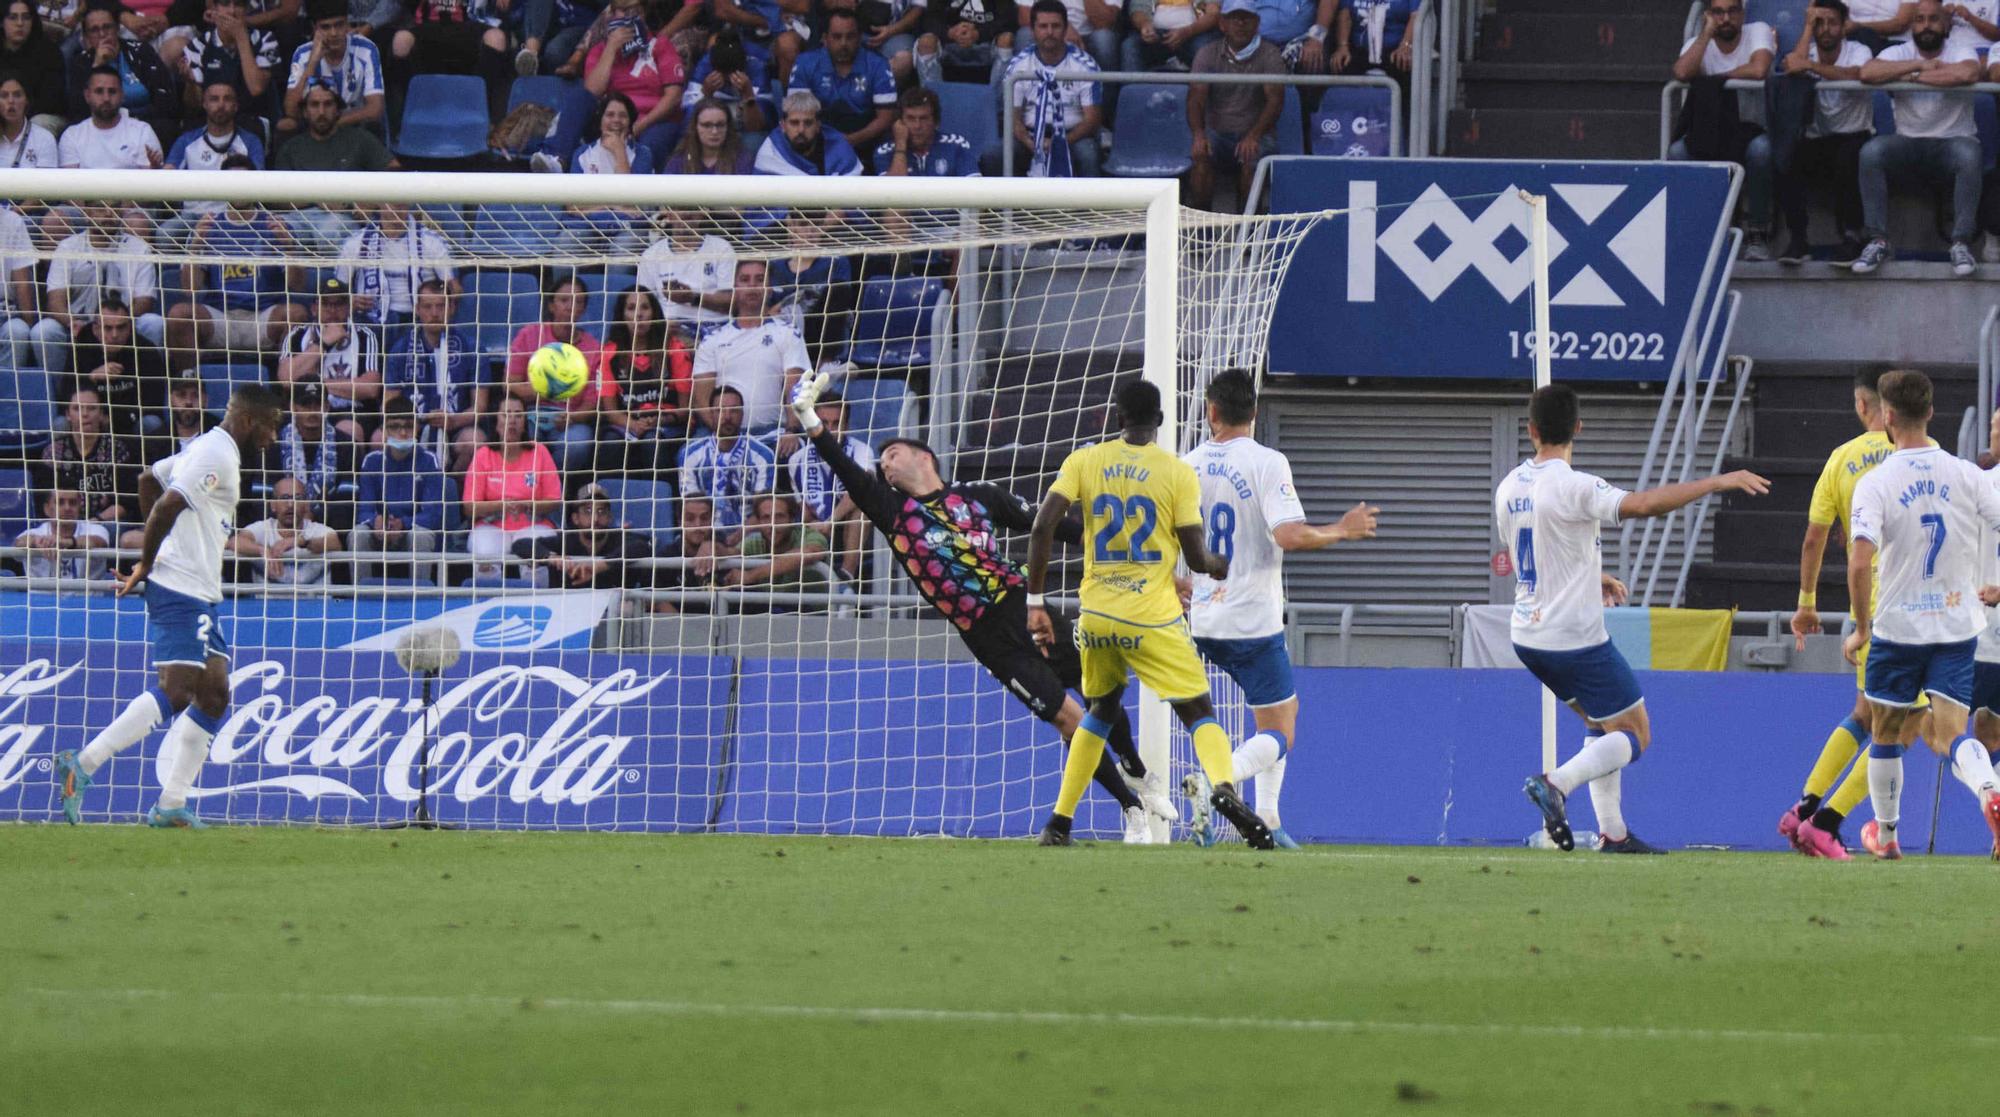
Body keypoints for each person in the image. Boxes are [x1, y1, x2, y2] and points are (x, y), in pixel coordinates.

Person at [790, 372, 1169, 841]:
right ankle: (1131, 808)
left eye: (892, 455)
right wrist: (809, 419)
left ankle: (1134, 767)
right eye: (882, 463)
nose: (885, 467)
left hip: (1024, 606)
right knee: (1067, 719)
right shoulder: (893, 513)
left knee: (1100, 690)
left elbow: (1049, 526)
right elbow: (846, 472)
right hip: (987, 638)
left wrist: (1125, 551)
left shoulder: (980, 498)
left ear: (923, 456)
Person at [1500, 384, 1770, 854]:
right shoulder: (1575, 485)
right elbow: (1642, 505)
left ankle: (1614, 835)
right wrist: (1715, 482)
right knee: (1635, 733)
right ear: (1578, 428)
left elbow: (1532, 549)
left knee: (1603, 724)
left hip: (1528, 634)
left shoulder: (1509, 487)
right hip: (1573, 636)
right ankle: (1557, 784)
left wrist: (1591, 573)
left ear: (1531, 430)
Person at [1024, 378, 1258, 846]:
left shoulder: (1085, 460)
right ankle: (1226, 788)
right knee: (1198, 710)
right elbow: (1196, 558)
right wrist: (1218, 563)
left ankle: (1059, 822)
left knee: (1100, 711)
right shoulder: (1175, 473)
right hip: (1150, 617)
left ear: (1117, 417)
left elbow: (1042, 526)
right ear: (1162, 421)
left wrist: (1034, 601)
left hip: (1096, 617)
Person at [52, 384, 286, 828]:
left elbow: (147, 480)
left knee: (214, 695)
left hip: (197, 588)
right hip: (179, 586)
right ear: (251, 421)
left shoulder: (208, 449)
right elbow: (166, 503)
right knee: (179, 689)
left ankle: (172, 805)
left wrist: (159, 555)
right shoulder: (215, 455)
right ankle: (83, 763)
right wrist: (149, 561)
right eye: (272, 425)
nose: (274, 437)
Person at [1182, 369, 1377, 848]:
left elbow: (1168, 544)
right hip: (1252, 621)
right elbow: (1288, 534)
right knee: (1282, 728)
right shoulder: (1267, 462)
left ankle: (1268, 817)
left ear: (1211, 411)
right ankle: (1217, 781)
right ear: (1255, 410)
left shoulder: (1185, 465)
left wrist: (1178, 584)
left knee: (1273, 713)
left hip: (1204, 619)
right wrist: (1342, 529)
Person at [1843, 369, 2000, 860]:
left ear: (1887, 417)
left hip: (1898, 629)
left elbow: (1860, 559)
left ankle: (1887, 837)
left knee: (1886, 731)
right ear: (1931, 412)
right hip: (1956, 627)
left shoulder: (1878, 482)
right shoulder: (1967, 474)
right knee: (1953, 732)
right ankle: (1989, 790)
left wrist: (1861, 628)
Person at [1782, 368, 1936, 858]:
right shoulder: (1913, 456)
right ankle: (1826, 822)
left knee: (1866, 714)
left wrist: (1807, 605)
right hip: (1906, 606)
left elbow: (1815, 536)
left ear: (1860, 404)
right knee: (1909, 725)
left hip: (1863, 604)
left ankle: (1804, 809)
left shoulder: (1841, 460)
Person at [1853, 0, 1981, 275]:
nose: (1926, 25)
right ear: (1912, 25)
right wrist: (1918, 68)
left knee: (1970, 154)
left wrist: (1911, 77)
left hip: (1953, 142)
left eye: (1934, 19)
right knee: (1872, 152)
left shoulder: (1961, 49)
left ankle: (1960, 243)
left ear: (1946, 24)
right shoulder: (1899, 51)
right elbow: (1868, 72)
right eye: (1920, 19)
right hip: (1908, 143)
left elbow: (1968, 72)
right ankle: (1878, 240)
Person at [1670, 0, 1776, 260]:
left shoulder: (1758, 30)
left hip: (1755, 129)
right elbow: (1682, 72)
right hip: (1712, 131)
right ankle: (1699, 233)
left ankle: (1757, 233)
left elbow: (1759, 68)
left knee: (1762, 150)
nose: (1726, 18)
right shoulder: (1699, 42)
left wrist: (1716, 80)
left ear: (1742, 13)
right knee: (1677, 152)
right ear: (1709, 15)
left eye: (1732, 11)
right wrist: (1706, 33)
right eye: (1718, 12)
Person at [163, 189, 307, 375]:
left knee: (296, 314)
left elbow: (298, 285)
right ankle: (188, 383)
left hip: (263, 315)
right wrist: (195, 247)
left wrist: (289, 247)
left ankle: (287, 387)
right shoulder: (209, 225)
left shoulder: (275, 225)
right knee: (178, 314)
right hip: (221, 316)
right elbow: (190, 288)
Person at [1775, 0, 1872, 266]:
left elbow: (1857, 75)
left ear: (1843, 27)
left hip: (1855, 135)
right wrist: (1807, 28)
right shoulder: (1809, 51)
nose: (1826, 29)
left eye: (1832, 23)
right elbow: (1790, 67)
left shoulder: (1858, 50)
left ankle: (1853, 237)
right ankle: (1798, 240)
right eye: (1820, 23)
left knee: (1848, 159)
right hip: (1818, 138)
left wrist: (1812, 68)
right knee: (1786, 157)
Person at [690, 258, 811, 441]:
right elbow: (701, 400)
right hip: (722, 433)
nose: (752, 286)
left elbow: (795, 388)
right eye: (745, 280)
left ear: (769, 287)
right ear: (734, 287)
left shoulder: (788, 333)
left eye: (759, 279)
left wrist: (791, 431)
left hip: (772, 434)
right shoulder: (712, 340)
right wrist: (724, 435)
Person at [503, 271, 612, 474]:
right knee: (522, 434)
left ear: (584, 308)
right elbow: (509, 384)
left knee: (577, 444)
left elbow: (592, 403)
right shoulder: (529, 334)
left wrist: (572, 417)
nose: (571, 306)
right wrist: (543, 390)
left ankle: (554, 486)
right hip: (531, 414)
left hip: (569, 420)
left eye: (578, 302)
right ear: (551, 305)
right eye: (564, 300)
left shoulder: (594, 348)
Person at [38, 200, 162, 375]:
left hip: (122, 325)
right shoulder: (68, 246)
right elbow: (55, 301)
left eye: (114, 207)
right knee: (45, 331)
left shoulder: (139, 248)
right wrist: (73, 322)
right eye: (101, 208)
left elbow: (144, 301)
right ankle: (60, 397)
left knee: (153, 323)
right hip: (78, 324)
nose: (109, 213)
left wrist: (116, 324)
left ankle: (147, 390)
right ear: (87, 213)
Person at [1187, 0, 1284, 211]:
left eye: (1246, 18)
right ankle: (1201, 232)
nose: (1240, 23)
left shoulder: (1270, 54)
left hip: (1258, 134)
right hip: (1217, 133)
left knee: (1251, 161)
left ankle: (1247, 234)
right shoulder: (1207, 53)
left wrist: (1253, 136)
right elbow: (1196, 98)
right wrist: (1198, 135)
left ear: (1257, 23)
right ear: (1222, 24)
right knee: (1200, 158)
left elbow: (1275, 101)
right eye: (1234, 18)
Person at [383, 277, 485, 471]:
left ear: (452, 308)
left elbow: (479, 407)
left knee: (474, 440)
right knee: (381, 439)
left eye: (441, 306)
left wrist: (453, 420)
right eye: (428, 307)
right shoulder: (400, 349)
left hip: (456, 426)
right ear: (417, 309)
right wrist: (413, 423)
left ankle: (452, 489)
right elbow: (389, 405)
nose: (435, 313)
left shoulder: (472, 348)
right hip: (411, 426)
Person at [677, 385, 776, 570]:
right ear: (711, 413)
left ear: (743, 414)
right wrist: (711, 540)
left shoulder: (763, 456)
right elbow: (690, 506)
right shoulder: (690, 454)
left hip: (748, 536)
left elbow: (764, 510)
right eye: (721, 410)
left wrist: (735, 538)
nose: (728, 416)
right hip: (702, 533)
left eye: (734, 411)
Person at [464, 394, 563, 578]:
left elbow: (554, 500)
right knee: (485, 556)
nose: (512, 421)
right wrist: (503, 505)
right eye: (506, 414)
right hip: (491, 526)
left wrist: (527, 504)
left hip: (534, 525)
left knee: (536, 559)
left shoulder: (539, 451)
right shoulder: (483, 455)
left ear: (525, 422)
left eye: (518, 415)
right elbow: (470, 507)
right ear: (496, 421)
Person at [598, 285, 692, 475]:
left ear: (654, 313)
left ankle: (660, 499)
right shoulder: (610, 354)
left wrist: (658, 420)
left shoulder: (674, 349)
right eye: (631, 308)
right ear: (622, 315)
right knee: (610, 445)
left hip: (666, 424)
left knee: (652, 443)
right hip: (627, 424)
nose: (638, 314)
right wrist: (633, 425)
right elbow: (610, 412)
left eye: (645, 308)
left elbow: (685, 410)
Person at [276, 277, 384, 442]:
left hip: (351, 410)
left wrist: (316, 383)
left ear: (348, 308)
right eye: (326, 304)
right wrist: (322, 344)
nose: (332, 310)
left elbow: (370, 387)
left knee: (348, 430)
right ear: (314, 308)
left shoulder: (365, 335)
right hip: (305, 408)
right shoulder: (297, 335)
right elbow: (286, 379)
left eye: (339, 304)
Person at [1002, 0, 1101, 178]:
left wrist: (1059, 143)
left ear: (1065, 29)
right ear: (1032, 30)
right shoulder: (1018, 66)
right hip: (1030, 136)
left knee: (1088, 154)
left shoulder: (1085, 66)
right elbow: (1013, 118)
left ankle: (1090, 207)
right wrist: (1031, 143)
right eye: (1043, 26)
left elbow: (1091, 120)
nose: (1049, 32)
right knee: (995, 155)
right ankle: (1007, 206)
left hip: (1073, 135)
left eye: (1055, 26)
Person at [62, 9, 181, 149]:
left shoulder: (141, 51)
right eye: (94, 30)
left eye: (107, 27)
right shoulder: (81, 62)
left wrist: (129, 119)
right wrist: (97, 65)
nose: (102, 34)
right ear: (86, 37)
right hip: (101, 125)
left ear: (117, 28)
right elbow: (78, 109)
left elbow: (166, 99)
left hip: (144, 123)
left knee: (166, 127)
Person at [352, 395, 446, 568]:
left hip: (412, 531)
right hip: (380, 533)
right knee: (358, 534)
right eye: (395, 427)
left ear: (417, 428)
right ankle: (362, 594)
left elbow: (434, 514)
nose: (403, 433)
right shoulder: (371, 461)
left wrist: (404, 524)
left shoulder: (429, 460)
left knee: (421, 536)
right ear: (384, 430)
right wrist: (376, 521)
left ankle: (419, 594)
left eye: (409, 426)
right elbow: (364, 510)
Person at [785, 385, 868, 583]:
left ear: (846, 426)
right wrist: (814, 523)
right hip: (815, 526)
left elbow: (862, 490)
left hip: (847, 524)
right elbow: (802, 505)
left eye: (836, 423)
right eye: (824, 423)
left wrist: (831, 521)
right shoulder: (797, 459)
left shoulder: (861, 450)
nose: (830, 430)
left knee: (862, 509)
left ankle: (846, 575)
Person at [788, 8, 896, 153]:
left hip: (867, 141)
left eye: (850, 37)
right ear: (825, 39)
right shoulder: (805, 63)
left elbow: (885, 118)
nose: (844, 43)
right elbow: (797, 113)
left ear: (859, 38)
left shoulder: (878, 65)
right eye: (837, 37)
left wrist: (851, 140)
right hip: (818, 139)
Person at [385, 0, 511, 123]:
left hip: (467, 25)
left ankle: (481, 112)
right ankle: (412, 114)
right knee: (401, 42)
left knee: (496, 39)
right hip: (426, 27)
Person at [67, 296, 172, 438]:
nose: (115, 335)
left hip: (130, 423)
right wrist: (91, 378)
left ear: (129, 327)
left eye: (121, 327)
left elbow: (153, 403)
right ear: (96, 329)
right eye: (108, 328)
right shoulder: (81, 348)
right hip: (89, 421)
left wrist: (113, 420)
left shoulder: (145, 351)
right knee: (61, 424)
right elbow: (65, 395)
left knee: (151, 423)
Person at [518, 481, 655, 588]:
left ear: (610, 517)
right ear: (575, 518)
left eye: (601, 512)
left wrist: (598, 566)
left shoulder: (618, 538)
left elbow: (643, 546)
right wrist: (551, 557)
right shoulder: (566, 540)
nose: (595, 519)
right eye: (587, 511)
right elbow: (520, 544)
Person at [280, 4, 386, 137]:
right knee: (286, 125)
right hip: (315, 130)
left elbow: (375, 109)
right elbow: (290, 110)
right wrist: (312, 63)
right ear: (314, 28)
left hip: (353, 127)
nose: (334, 33)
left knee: (373, 126)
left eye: (339, 25)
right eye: (326, 27)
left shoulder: (366, 49)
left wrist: (332, 124)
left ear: (347, 24)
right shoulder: (302, 54)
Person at [261, 382, 357, 524]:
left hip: (328, 529)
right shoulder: (273, 445)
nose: (312, 412)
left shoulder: (346, 445)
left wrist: (313, 518)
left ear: (327, 407)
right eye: (305, 405)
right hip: (278, 526)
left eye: (318, 405)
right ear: (293, 407)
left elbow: (348, 499)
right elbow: (263, 496)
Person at [637, 206, 739, 339]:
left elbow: (732, 302)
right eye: (679, 208)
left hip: (716, 327)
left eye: (691, 209)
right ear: (668, 213)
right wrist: (661, 325)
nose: (685, 213)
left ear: (703, 212)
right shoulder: (651, 255)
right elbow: (643, 303)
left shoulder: (721, 248)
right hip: (670, 330)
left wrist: (692, 297)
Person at [45, 387, 138, 531]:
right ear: (68, 415)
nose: (85, 414)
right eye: (77, 409)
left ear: (101, 414)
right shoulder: (53, 453)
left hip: (105, 523)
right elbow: (45, 501)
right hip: (63, 524)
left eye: (92, 409)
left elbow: (126, 502)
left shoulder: (118, 450)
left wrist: (96, 521)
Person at [231, 474, 342, 585]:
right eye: (284, 498)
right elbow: (233, 542)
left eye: (297, 498)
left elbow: (335, 543)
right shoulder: (263, 528)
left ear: (306, 505)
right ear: (273, 505)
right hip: (267, 602)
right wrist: (263, 550)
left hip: (315, 602)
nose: (290, 504)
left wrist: (298, 541)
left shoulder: (319, 530)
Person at [59, 64, 169, 170]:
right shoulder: (72, 136)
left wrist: (154, 171)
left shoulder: (142, 132)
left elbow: (149, 185)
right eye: (99, 91)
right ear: (87, 96)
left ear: (122, 95)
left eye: (112, 91)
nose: (106, 98)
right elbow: (70, 185)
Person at [180, 0, 279, 115]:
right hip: (213, 120)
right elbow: (195, 105)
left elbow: (256, 88)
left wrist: (241, 37)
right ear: (214, 8)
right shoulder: (198, 45)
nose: (232, 11)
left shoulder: (265, 39)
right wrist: (190, 83)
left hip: (253, 118)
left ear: (246, 10)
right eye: (225, 4)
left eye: (238, 4)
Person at [273, 80, 396, 170]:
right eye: (314, 105)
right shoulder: (291, 148)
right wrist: (319, 199)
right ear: (305, 112)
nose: (321, 112)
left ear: (338, 110)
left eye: (328, 104)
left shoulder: (361, 139)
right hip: (305, 206)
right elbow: (276, 198)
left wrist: (370, 202)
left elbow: (396, 173)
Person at [677, 33, 774, 140]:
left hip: (743, 129)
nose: (728, 78)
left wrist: (748, 95)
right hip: (712, 124)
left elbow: (756, 127)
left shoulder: (757, 68)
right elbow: (687, 124)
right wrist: (706, 94)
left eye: (732, 72)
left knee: (754, 140)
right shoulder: (705, 65)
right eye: (723, 72)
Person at [166, 83, 267, 177]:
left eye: (227, 99)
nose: (221, 105)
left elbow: (257, 182)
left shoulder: (251, 142)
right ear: (204, 104)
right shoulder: (186, 141)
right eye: (214, 99)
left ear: (235, 106)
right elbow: (168, 177)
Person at [755, 89, 864, 175]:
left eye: (808, 123)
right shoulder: (771, 150)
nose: (801, 130)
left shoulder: (839, 146)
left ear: (818, 125)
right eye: (794, 123)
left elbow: (853, 195)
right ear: (783, 125)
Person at [14, 487, 112, 582]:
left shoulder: (96, 530)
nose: (67, 508)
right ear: (47, 509)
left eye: (73, 503)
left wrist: (66, 542)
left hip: (87, 597)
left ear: (80, 507)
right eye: (60, 503)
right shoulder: (34, 533)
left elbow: (97, 542)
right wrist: (36, 542)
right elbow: (19, 543)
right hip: (41, 598)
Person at [875, 86, 978, 176]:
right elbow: (892, 193)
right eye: (911, 119)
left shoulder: (956, 145)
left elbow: (975, 190)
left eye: (924, 118)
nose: (917, 126)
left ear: (936, 121)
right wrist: (900, 146)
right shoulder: (886, 152)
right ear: (900, 123)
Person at [0, 3, 66, 133]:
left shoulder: (49, 51)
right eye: (13, 17)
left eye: (26, 17)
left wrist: (15, 117)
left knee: (37, 125)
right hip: (4, 113)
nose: (20, 23)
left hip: (42, 114)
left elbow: (51, 99)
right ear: (2, 22)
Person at [912, 0, 1014, 84]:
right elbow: (929, 19)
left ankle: (1001, 104)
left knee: (1006, 39)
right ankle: (932, 98)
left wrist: (978, 34)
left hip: (986, 43)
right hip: (949, 43)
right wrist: (950, 33)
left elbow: (1007, 19)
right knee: (926, 42)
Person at [664, 98, 758, 174]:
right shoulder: (679, 161)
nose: (714, 131)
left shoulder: (743, 161)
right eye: (707, 125)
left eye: (720, 125)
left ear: (728, 127)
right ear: (695, 127)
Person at [1124, 0, 1213, 72]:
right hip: (1155, 34)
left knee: (1205, 49)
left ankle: (1200, 92)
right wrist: (1144, 24)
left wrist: (1188, 31)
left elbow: (1213, 14)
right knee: (1131, 46)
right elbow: (1137, 9)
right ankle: (1132, 92)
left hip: (1195, 32)